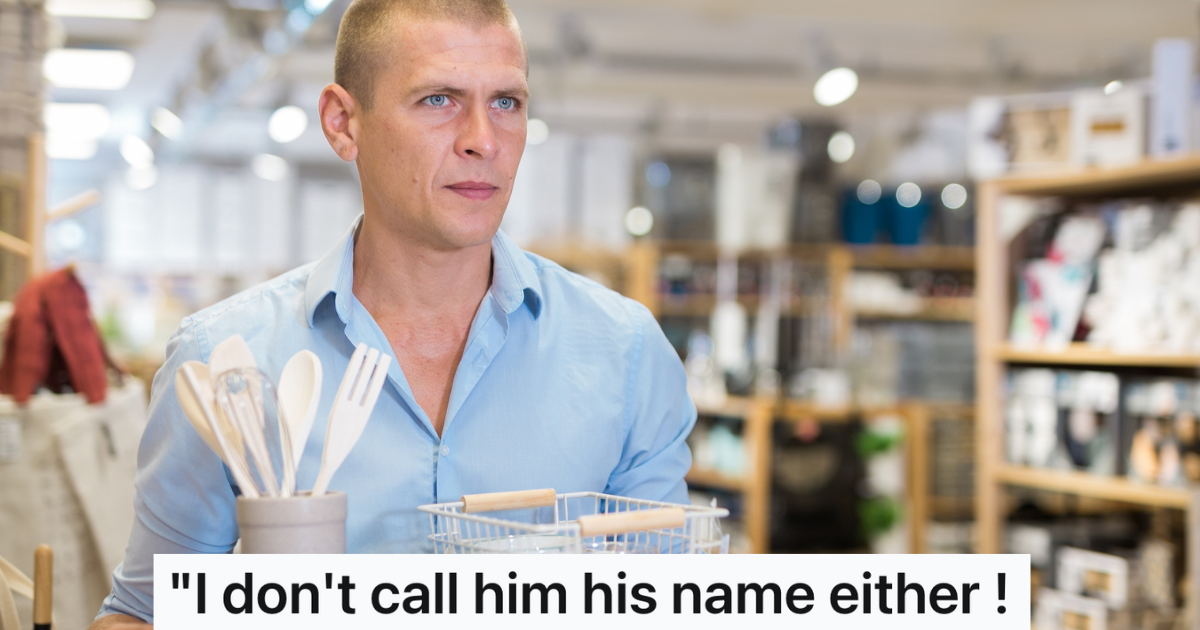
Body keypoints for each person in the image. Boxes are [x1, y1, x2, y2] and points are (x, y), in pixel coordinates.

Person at [90, 0, 695, 627]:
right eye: (439, 100)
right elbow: (144, 614)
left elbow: (666, 605)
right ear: (343, 122)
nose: (482, 140)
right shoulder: (225, 362)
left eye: (507, 103)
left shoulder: (626, 354)